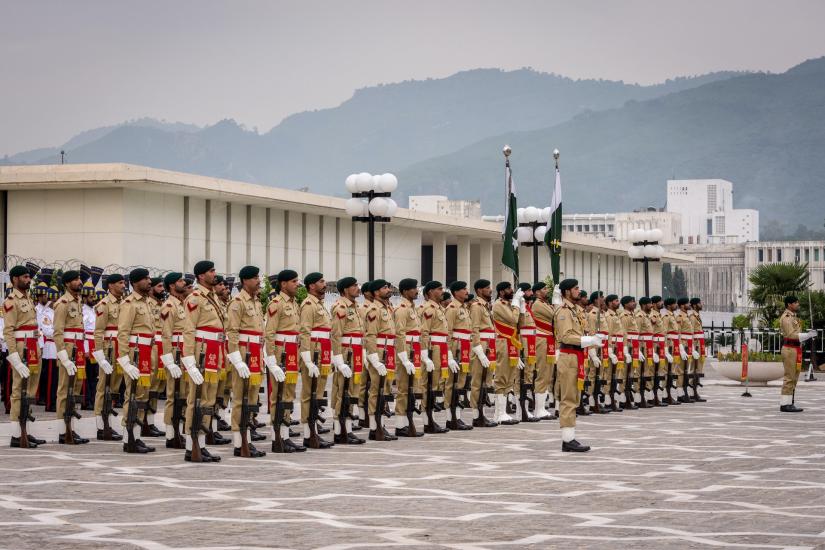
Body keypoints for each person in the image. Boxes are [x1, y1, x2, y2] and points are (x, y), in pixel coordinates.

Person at [181, 260, 227, 462]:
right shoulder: (195, 298)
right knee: (196, 400)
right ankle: (192, 446)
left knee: (208, 400)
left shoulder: (212, 297)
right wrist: (189, 360)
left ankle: (202, 443)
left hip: (214, 352)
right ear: (201, 276)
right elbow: (189, 329)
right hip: (201, 352)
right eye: (211, 271)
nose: (214, 273)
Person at [554, 279, 607, 452]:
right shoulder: (563, 311)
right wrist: (590, 340)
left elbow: (581, 332)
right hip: (568, 355)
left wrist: (594, 340)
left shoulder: (576, 310)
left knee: (575, 397)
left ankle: (570, 437)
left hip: (577, 355)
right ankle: (567, 440)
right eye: (576, 289)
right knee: (568, 398)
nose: (579, 291)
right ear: (567, 292)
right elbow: (566, 336)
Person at [224, 265, 267, 457]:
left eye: (258, 277)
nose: (259, 281)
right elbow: (231, 331)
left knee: (251, 399)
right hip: (243, 353)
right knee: (240, 399)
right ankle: (239, 443)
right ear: (245, 281)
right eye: (255, 278)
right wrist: (237, 359)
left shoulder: (257, 302)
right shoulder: (237, 302)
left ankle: (247, 439)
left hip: (256, 354)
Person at [116, 268, 157, 453]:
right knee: (132, 395)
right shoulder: (129, 303)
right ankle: (128, 439)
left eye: (149, 278)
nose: (149, 281)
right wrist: (124, 360)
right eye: (145, 279)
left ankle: (137, 436)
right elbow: (123, 332)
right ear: (135, 282)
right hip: (135, 353)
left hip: (146, 352)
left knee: (142, 396)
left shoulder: (147, 302)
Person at [4, 265, 46, 448]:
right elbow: (9, 331)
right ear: (14, 279)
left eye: (29, 277)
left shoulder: (28, 298)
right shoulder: (11, 300)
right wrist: (13, 356)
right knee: (18, 390)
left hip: (32, 347)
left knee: (30, 391)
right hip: (21, 349)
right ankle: (16, 433)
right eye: (24, 277)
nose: (28, 280)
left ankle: (25, 431)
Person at [265, 269, 305, 452]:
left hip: (291, 352)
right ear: (283, 284)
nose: (297, 284)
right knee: (278, 396)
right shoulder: (276, 303)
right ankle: (276, 437)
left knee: (289, 395)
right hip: (281, 352)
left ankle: (286, 435)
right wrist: (271, 360)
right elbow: (270, 333)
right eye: (294, 281)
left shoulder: (294, 303)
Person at [297, 272, 334, 449]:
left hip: (323, 352)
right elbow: (304, 332)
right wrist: (307, 359)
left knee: (318, 393)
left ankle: (315, 431)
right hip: (313, 352)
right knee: (308, 393)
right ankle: (308, 434)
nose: (324, 284)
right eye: (321, 281)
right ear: (311, 286)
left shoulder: (320, 305)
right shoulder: (308, 305)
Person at [53, 270, 90, 444]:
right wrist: (63, 357)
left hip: (79, 349)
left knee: (75, 389)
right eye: (75, 279)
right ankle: (62, 431)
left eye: (79, 278)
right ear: (67, 284)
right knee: (64, 389)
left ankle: (71, 428)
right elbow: (58, 332)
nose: (79, 281)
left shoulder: (78, 301)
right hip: (68, 349)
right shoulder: (63, 303)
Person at [329, 276, 363, 444]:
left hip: (356, 352)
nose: (357, 288)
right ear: (345, 290)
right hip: (346, 353)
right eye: (353, 285)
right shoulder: (340, 307)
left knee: (352, 392)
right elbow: (336, 335)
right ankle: (339, 430)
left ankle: (348, 429)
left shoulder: (356, 307)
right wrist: (339, 361)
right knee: (341, 392)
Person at [91, 273, 126, 440]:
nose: (123, 285)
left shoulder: (124, 303)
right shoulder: (104, 304)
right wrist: (100, 356)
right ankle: (100, 426)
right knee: (103, 388)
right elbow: (98, 332)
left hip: (120, 349)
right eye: (120, 283)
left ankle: (109, 424)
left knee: (113, 389)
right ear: (110, 285)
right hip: (108, 349)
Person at [363, 279, 397, 440]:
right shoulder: (374, 309)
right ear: (376, 292)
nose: (388, 289)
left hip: (388, 350)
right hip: (379, 351)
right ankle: (374, 427)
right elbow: (370, 335)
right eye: (385, 287)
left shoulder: (386, 309)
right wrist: (375, 360)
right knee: (376, 390)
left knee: (386, 389)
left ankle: (381, 425)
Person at [418, 280, 454, 433]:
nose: (442, 291)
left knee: (436, 383)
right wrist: (425, 354)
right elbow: (424, 332)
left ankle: (431, 418)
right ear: (431, 292)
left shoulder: (439, 308)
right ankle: (427, 421)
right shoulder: (429, 309)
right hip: (433, 349)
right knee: (428, 385)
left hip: (441, 348)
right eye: (439, 289)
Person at [158, 272, 189, 448]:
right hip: (175, 354)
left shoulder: (182, 304)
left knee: (183, 395)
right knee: (173, 395)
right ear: (171, 285)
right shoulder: (169, 306)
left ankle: (178, 431)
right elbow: (166, 335)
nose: (183, 283)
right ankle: (171, 435)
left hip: (184, 354)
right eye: (179, 281)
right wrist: (169, 361)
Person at [393, 278, 424, 437]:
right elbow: (400, 334)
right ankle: (400, 425)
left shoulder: (413, 309)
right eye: (413, 289)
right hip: (406, 351)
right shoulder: (402, 309)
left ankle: (406, 422)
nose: (416, 291)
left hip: (415, 351)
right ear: (405, 291)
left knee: (412, 388)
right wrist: (404, 358)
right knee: (404, 388)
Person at [778, 296, 816, 412]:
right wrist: (808, 335)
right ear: (789, 304)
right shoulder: (787, 317)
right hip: (789, 349)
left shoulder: (793, 317)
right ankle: (785, 404)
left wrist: (807, 335)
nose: (798, 304)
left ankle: (790, 402)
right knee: (789, 377)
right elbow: (791, 335)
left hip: (795, 349)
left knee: (794, 377)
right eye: (795, 302)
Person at [492, 281, 522, 425]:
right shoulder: (499, 304)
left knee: (510, 378)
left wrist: (518, 305)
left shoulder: (509, 305)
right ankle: (499, 414)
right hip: (503, 342)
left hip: (512, 342)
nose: (511, 290)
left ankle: (503, 413)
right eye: (509, 289)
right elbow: (513, 319)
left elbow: (519, 322)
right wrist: (516, 304)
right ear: (501, 292)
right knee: (502, 377)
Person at [444, 280, 473, 430]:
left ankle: (458, 416)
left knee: (461, 383)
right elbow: (447, 332)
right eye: (463, 289)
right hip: (456, 347)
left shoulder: (465, 308)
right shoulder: (452, 308)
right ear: (455, 292)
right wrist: (448, 354)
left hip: (465, 348)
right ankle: (450, 418)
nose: (466, 291)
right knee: (451, 384)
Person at [529, 282, 555, 420]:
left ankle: (542, 408)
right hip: (542, 341)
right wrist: (557, 302)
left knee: (547, 375)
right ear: (537, 292)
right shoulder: (538, 304)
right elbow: (554, 315)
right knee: (542, 373)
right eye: (544, 289)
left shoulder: (544, 303)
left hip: (548, 340)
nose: (547, 291)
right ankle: (539, 409)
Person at [689, 297, 707, 402]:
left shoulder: (697, 315)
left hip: (699, 344)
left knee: (698, 368)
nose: (701, 304)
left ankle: (695, 391)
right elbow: (690, 332)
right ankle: (692, 392)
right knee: (694, 369)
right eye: (699, 303)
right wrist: (692, 348)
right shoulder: (692, 316)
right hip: (695, 344)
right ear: (695, 305)